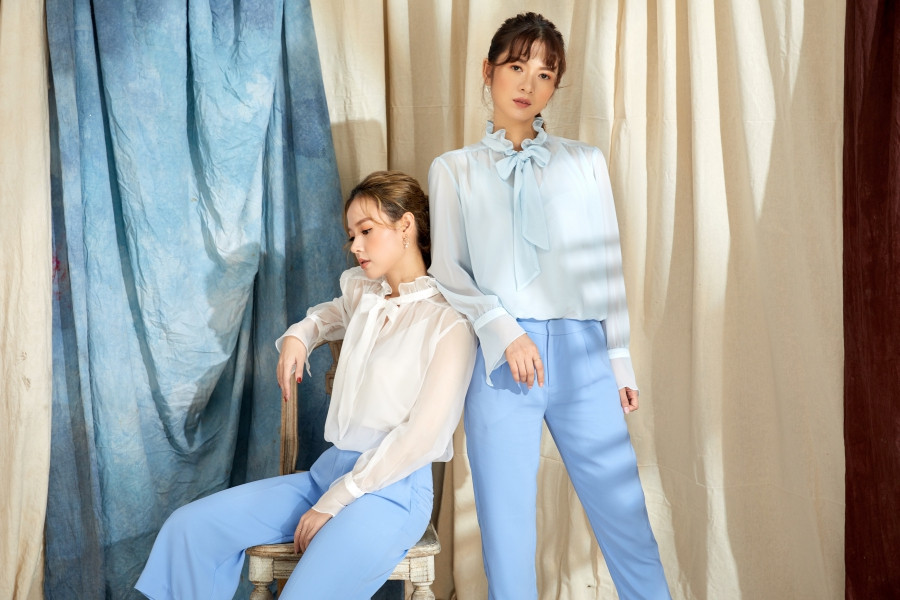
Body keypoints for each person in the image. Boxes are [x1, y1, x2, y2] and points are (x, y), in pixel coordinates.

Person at [136, 171, 476, 599]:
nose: (355, 246)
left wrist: (334, 502)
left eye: (366, 231)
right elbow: (328, 315)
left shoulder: (448, 324)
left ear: (405, 225)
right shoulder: (365, 296)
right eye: (351, 235)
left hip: (392, 489)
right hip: (328, 472)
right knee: (189, 529)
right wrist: (299, 335)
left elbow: (421, 439)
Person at [427, 12, 671, 600]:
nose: (528, 84)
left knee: (626, 520)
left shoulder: (585, 162)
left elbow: (605, 261)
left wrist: (618, 356)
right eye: (516, 66)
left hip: (582, 352)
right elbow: (448, 271)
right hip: (502, 360)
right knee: (506, 534)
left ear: (555, 86)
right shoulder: (454, 169)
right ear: (488, 71)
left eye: (544, 73)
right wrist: (503, 328)